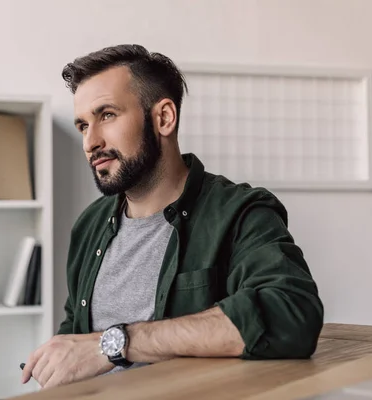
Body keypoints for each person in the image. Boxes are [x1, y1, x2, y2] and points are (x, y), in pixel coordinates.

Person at [21, 44, 324, 389]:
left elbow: (291, 313)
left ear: (163, 118)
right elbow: (75, 331)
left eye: (106, 115)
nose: (91, 141)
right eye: (82, 125)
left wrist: (118, 343)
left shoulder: (241, 213)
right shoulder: (88, 225)